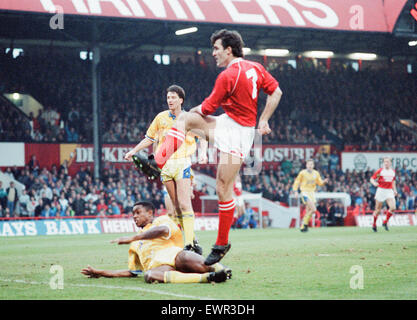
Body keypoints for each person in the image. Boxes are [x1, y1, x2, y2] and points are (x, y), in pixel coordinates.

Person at [137, 29, 282, 265]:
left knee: (223, 187)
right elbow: (276, 92)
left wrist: (193, 115)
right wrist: (264, 119)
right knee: (185, 120)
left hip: (238, 134)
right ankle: (157, 162)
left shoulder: (228, 76)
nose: (213, 53)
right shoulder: (256, 68)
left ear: (228, 49)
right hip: (230, 124)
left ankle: (222, 243)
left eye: (216, 48)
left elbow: (206, 109)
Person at [124, 85, 207, 254]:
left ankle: (189, 244)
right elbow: (149, 138)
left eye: (173, 97)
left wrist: (203, 153)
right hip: (165, 167)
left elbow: (204, 136)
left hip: (182, 162)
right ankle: (194, 239)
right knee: (176, 207)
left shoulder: (189, 119)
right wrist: (134, 151)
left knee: (184, 204)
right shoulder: (161, 118)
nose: (170, 100)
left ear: (181, 100)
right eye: (168, 97)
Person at [81, 201, 231, 284]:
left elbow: (161, 230)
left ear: (150, 213)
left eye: (138, 213)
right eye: (133, 214)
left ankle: (221, 269)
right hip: (161, 268)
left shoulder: (162, 220)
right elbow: (132, 272)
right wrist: (100, 272)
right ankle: (208, 278)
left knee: (185, 256)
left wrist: (133, 238)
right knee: (149, 276)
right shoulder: (135, 246)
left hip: (176, 257)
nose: (134, 217)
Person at [292, 159, 329, 232]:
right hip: (305, 192)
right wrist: (295, 191)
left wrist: (324, 182)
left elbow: (320, 183)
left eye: (311, 164)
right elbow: (297, 182)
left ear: (313, 165)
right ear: (306, 165)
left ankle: (303, 226)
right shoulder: (302, 173)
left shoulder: (316, 173)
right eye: (309, 164)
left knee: (308, 210)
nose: (310, 166)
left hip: (312, 193)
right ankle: (304, 223)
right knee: (314, 209)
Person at [370, 157, 397, 232]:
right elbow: (372, 178)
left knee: (393, 207)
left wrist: (395, 190)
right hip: (381, 190)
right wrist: (374, 183)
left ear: (390, 163)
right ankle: (374, 224)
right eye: (385, 162)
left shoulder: (393, 171)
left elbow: (393, 181)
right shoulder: (380, 171)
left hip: (389, 191)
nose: (386, 163)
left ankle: (385, 222)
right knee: (378, 210)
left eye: (387, 162)